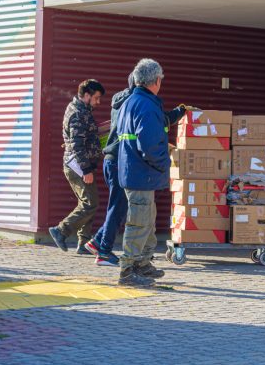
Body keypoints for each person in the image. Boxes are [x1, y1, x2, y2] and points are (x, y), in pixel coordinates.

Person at [83, 73, 187, 267]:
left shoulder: (122, 99)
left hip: (113, 159)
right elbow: (155, 124)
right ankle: (104, 251)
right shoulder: (137, 102)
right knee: (120, 208)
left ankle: (98, 242)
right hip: (121, 160)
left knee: (121, 206)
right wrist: (179, 112)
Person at [115, 59, 170, 286]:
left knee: (147, 221)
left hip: (136, 173)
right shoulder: (146, 105)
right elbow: (149, 145)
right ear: (156, 81)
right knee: (139, 223)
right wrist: (165, 163)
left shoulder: (131, 101)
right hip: (142, 174)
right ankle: (128, 270)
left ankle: (143, 263)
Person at [49, 79, 106, 254]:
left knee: (88, 202)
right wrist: (86, 170)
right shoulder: (78, 113)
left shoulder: (82, 111)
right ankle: (61, 230)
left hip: (81, 165)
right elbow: (76, 145)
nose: (98, 102)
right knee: (90, 203)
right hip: (78, 167)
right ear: (87, 95)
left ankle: (84, 243)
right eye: (96, 98)